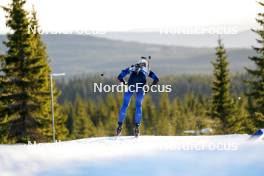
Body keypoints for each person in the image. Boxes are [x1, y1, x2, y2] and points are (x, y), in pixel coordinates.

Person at [116, 57, 159, 137]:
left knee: (125, 105)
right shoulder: (147, 70)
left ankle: (119, 127)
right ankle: (136, 128)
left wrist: (124, 83)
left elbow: (119, 77)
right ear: (146, 64)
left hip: (131, 85)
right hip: (141, 87)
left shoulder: (132, 68)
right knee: (138, 106)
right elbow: (156, 79)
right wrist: (149, 88)